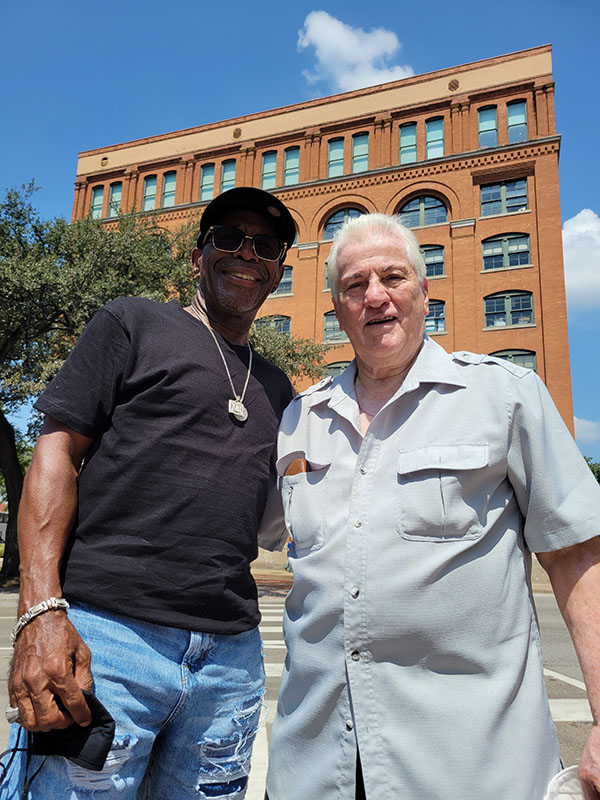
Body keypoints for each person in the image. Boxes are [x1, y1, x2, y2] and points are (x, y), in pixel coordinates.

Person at [263, 213, 600, 800]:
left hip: (470, 765)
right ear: (336, 309)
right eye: (353, 285)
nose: (375, 296)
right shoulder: (300, 420)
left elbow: (575, 555)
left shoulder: (504, 395)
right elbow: (261, 538)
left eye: (393, 277)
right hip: (315, 767)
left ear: (423, 291)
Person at [2, 186, 295, 799]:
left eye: (264, 246)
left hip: (230, 661)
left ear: (277, 272)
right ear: (197, 257)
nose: (246, 252)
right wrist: (40, 610)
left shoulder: (277, 386)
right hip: (106, 642)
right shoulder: (132, 322)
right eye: (228, 238)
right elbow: (56, 451)